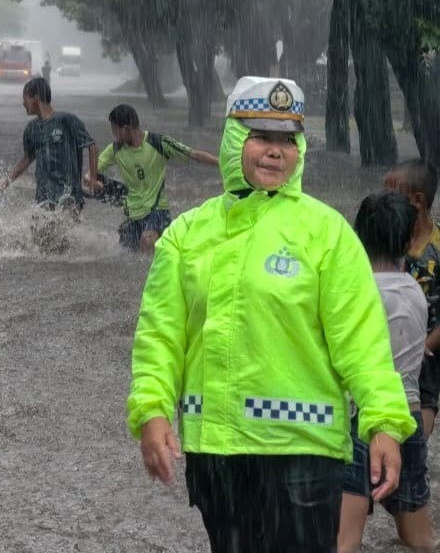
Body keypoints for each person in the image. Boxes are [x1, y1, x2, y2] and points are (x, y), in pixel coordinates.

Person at [128, 76, 415, 553]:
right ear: (235, 138)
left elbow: (362, 341)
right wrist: (152, 411)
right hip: (216, 456)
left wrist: (385, 420)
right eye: (261, 136)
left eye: (288, 140)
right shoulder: (185, 235)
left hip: (304, 457)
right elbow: (159, 337)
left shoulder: (327, 234)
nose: (275, 152)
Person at [338, 191, 432, 553]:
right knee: (419, 540)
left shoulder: (352, 293)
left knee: (344, 543)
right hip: (405, 418)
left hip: (360, 417)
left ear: (357, 235)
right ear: (410, 240)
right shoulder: (414, 292)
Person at [92, 104, 218, 251]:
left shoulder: (158, 142)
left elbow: (194, 155)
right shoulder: (115, 149)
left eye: (115, 130)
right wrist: (91, 179)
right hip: (133, 213)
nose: (114, 135)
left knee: (147, 239)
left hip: (158, 211)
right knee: (127, 253)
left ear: (126, 129)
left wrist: (222, 164)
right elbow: (93, 173)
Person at [384, 159, 440, 436]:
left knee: (417, 428)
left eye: (391, 193)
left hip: (427, 356)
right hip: (387, 348)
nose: (383, 200)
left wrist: (422, 348)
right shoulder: (387, 240)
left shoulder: (437, 248)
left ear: (417, 200)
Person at [0, 77, 98, 211]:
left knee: (51, 227)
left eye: (25, 98)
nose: (23, 103)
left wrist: (93, 180)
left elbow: (92, 147)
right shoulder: (31, 129)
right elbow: (27, 159)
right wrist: (4, 183)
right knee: (37, 229)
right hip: (43, 195)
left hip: (68, 195)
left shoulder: (67, 120)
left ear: (36, 97)